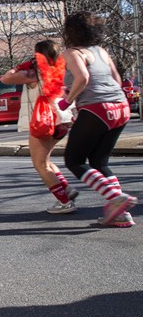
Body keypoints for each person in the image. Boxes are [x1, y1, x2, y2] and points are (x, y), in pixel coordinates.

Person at [58, 12, 137, 227]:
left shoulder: (72, 53)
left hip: (97, 109)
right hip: (121, 108)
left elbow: (83, 78)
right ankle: (120, 213)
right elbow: (117, 80)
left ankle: (115, 197)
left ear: (70, 31)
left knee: (74, 161)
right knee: (99, 162)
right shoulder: (102, 51)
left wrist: (68, 101)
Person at [0, 39, 77, 214]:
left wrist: (20, 67)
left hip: (44, 122)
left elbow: (5, 78)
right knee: (46, 161)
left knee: (40, 164)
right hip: (62, 120)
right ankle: (66, 189)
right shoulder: (60, 71)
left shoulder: (33, 74)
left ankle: (64, 202)